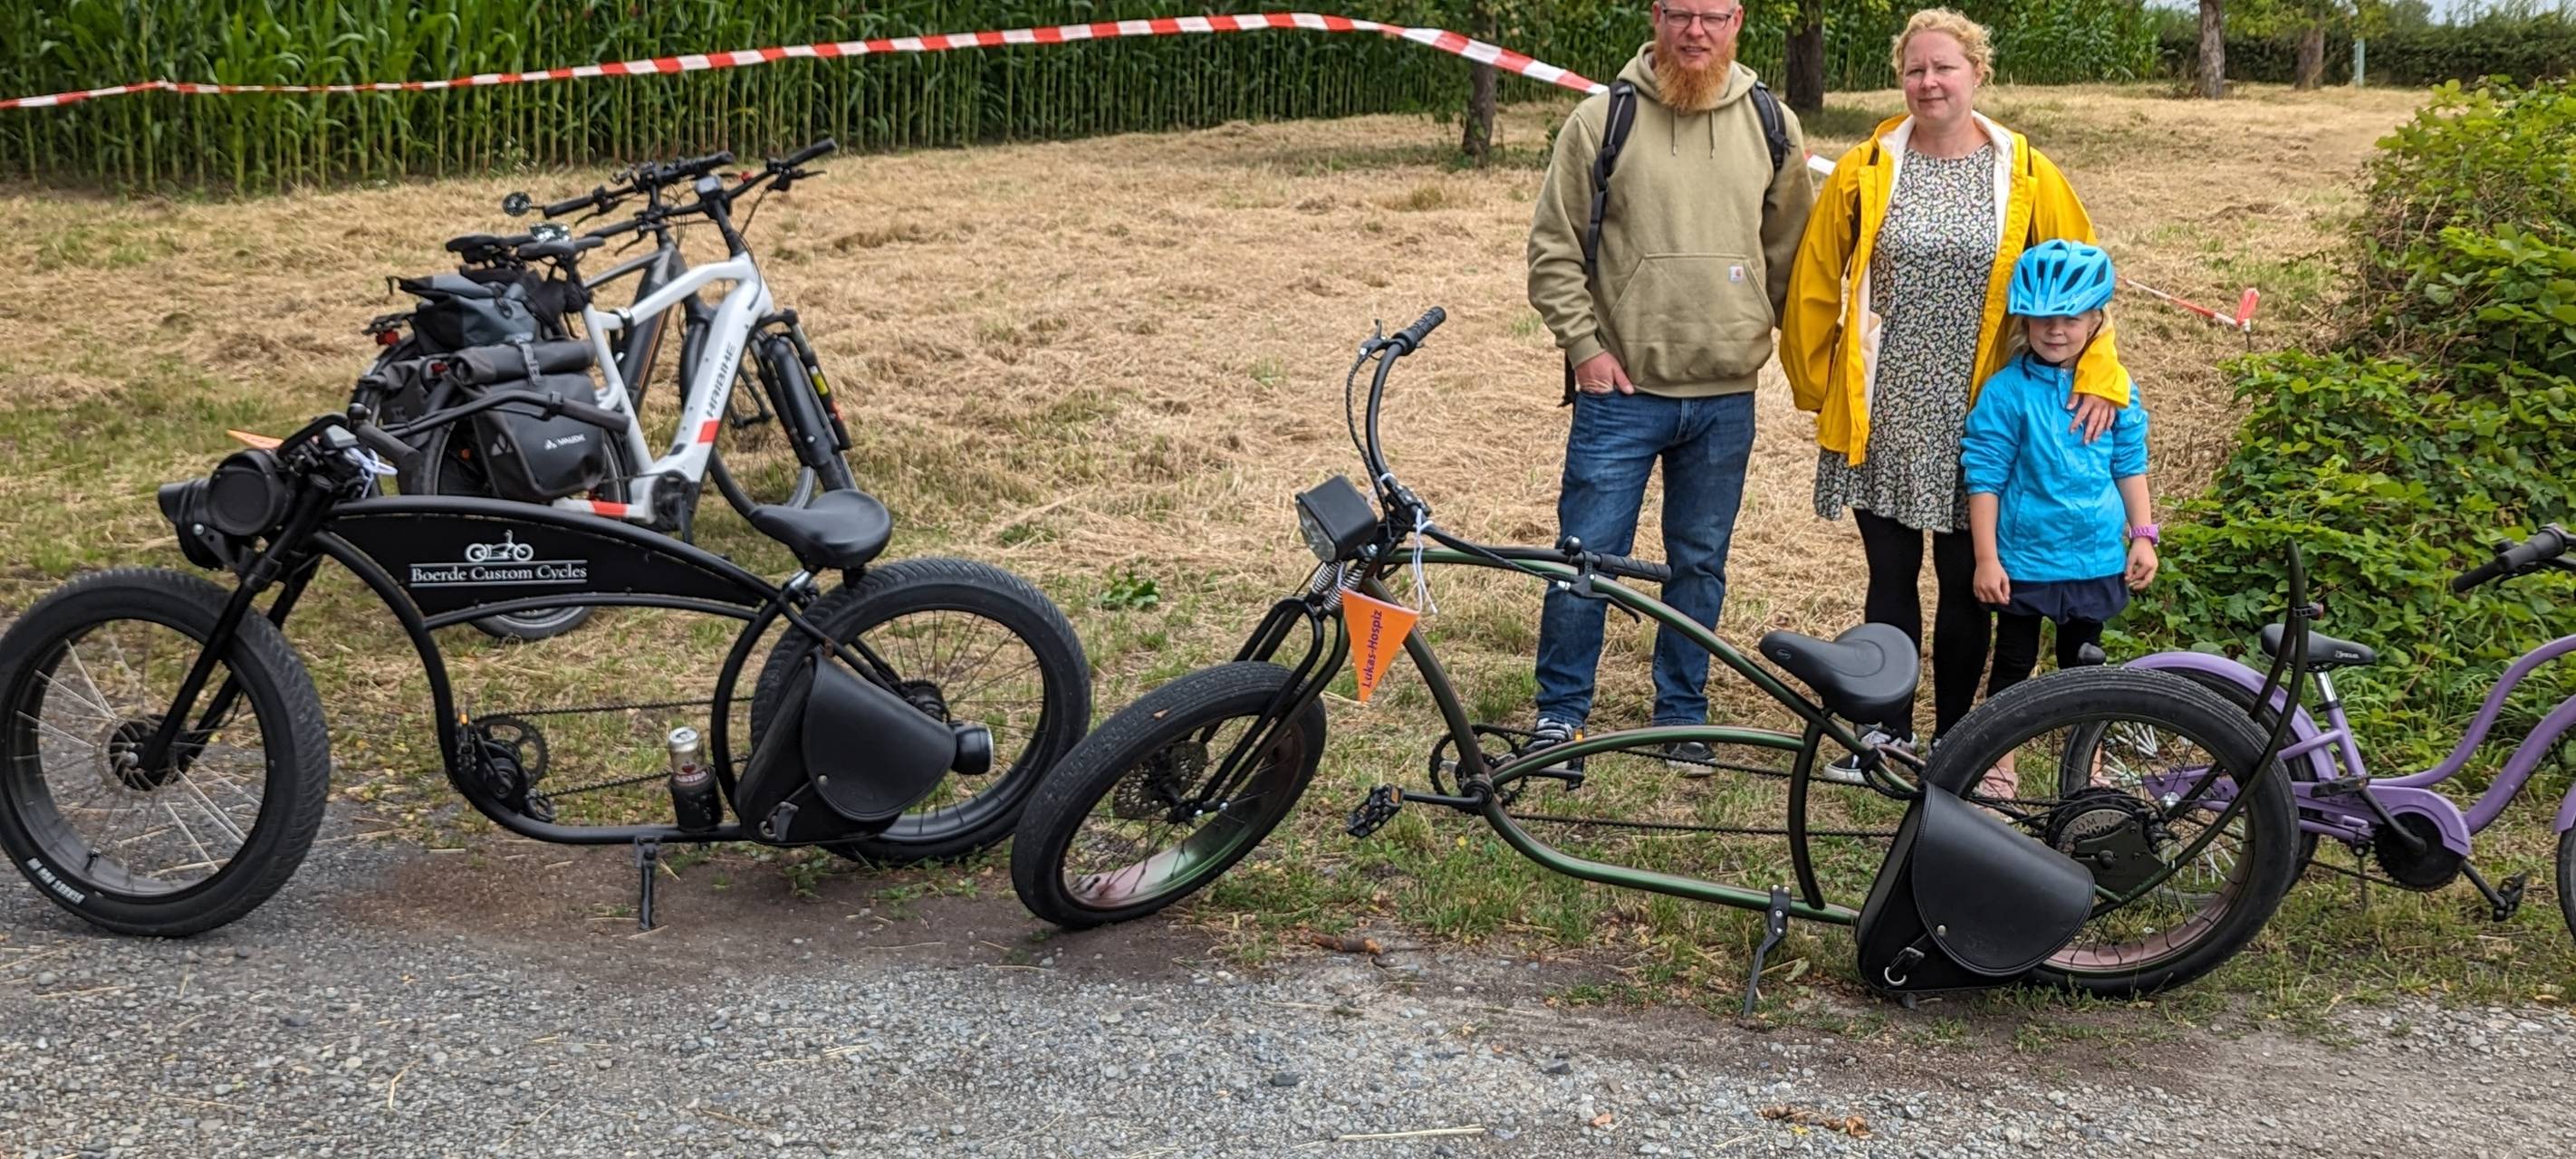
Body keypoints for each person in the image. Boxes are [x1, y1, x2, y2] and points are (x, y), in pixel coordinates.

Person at [1780, 7, 2131, 768]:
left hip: (1984, 414)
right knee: (1890, 578)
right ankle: (1886, 734)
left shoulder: (2026, 169)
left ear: (1977, 72)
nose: (1929, 81)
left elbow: (2084, 277)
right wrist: (1814, 384)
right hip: (1886, 407)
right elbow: (1815, 276)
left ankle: (1955, 741)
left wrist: (2099, 373)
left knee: (1969, 580)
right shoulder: (1866, 165)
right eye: (1915, 69)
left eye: (1944, 66)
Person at [1523, 0, 1815, 770]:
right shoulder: (1601, 120)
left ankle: (1682, 715)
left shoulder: (1772, 123)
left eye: (1712, 17)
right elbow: (1552, 249)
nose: (1695, 32)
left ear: (1737, 22)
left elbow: (1793, 259)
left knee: (1700, 561)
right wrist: (1585, 349)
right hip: (1621, 393)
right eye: (1681, 14)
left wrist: (1783, 349)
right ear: (1656, 17)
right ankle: (1560, 716)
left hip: (1726, 396)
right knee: (1586, 558)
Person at [1961, 240, 2159, 797]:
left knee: (2084, 668)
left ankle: (2084, 765)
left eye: (2071, 318)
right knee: (2013, 663)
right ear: (2024, 320)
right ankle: (1999, 764)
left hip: (2095, 557)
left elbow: (2130, 465)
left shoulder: (2116, 391)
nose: (2055, 330)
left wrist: (2143, 536)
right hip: (2026, 558)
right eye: (2042, 318)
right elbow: (1985, 476)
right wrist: (1986, 559)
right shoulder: (2007, 392)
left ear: (2097, 320)